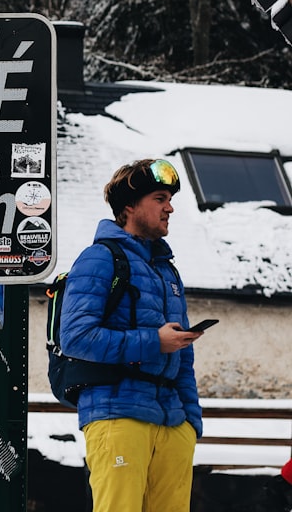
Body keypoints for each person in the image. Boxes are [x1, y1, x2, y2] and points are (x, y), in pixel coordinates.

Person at [58, 158, 204, 512]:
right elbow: (76, 337)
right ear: (129, 207)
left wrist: (190, 423)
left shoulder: (167, 271)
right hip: (117, 415)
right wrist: (154, 341)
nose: (170, 208)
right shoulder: (99, 259)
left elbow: (182, 354)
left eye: (170, 199)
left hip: (172, 421)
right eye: (159, 198)